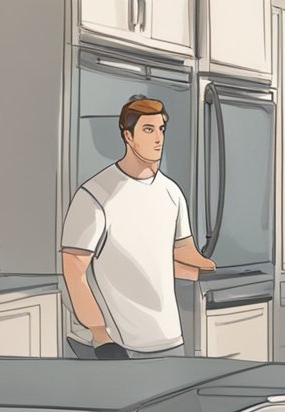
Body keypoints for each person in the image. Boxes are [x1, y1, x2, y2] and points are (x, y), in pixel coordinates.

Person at [60, 96, 215, 360]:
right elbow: (74, 269)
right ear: (128, 136)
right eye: (148, 129)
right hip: (113, 346)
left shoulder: (171, 192)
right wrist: (100, 335)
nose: (158, 138)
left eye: (161, 129)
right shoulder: (95, 194)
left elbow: (181, 252)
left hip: (167, 339)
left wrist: (219, 268)